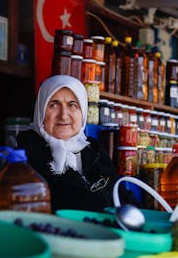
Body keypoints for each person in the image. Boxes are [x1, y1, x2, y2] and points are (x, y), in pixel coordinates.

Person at [17, 75, 136, 213]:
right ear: (41, 111)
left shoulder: (93, 152)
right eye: (53, 105)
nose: (63, 115)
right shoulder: (25, 157)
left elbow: (122, 195)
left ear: (83, 113)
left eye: (72, 105)